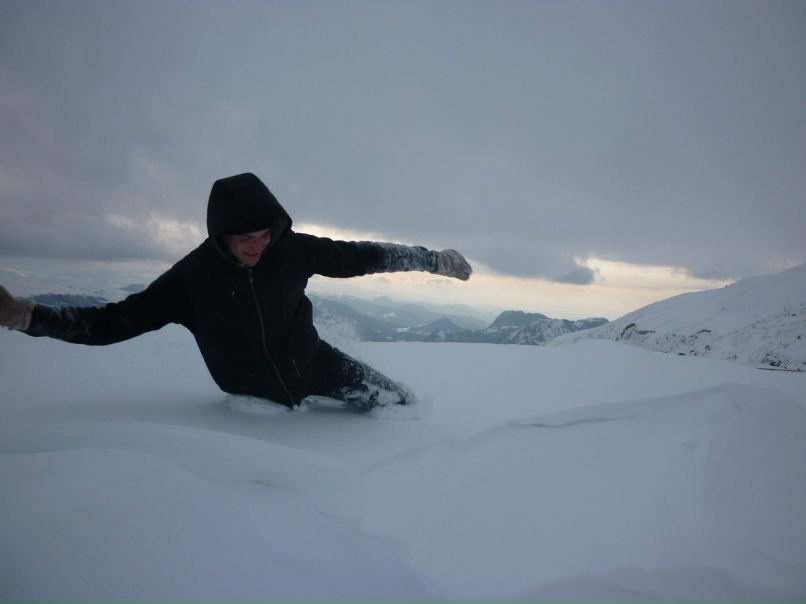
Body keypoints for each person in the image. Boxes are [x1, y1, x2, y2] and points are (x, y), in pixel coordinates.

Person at [0, 172, 472, 411]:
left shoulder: (291, 249)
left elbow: (361, 255)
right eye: (246, 239)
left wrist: (431, 260)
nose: (258, 246)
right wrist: (25, 315)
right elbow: (109, 324)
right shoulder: (189, 280)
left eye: (265, 234)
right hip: (250, 395)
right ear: (220, 235)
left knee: (400, 403)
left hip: (313, 363)